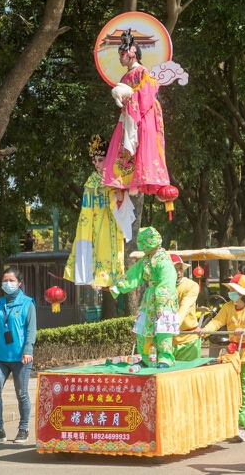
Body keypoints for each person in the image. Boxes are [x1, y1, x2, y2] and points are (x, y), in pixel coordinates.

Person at [102, 28, 170, 194]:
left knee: (142, 147)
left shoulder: (143, 72)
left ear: (132, 54)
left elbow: (146, 94)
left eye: (122, 54)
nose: (120, 58)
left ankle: (140, 179)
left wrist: (130, 101)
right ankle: (128, 181)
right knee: (122, 146)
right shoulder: (125, 77)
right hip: (129, 115)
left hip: (143, 115)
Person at [199, 274, 245, 440]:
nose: (231, 293)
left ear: (243, 293)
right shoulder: (228, 306)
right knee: (238, 390)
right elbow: (217, 321)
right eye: (230, 290)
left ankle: (240, 425)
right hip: (235, 355)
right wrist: (204, 331)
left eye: (234, 290)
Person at [64, 135, 132, 290]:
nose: (96, 164)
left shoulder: (116, 177)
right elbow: (86, 207)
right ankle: (93, 277)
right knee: (94, 248)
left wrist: (119, 196)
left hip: (112, 220)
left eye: (100, 160)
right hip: (93, 222)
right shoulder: (92, 180)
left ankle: (113, 279)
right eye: (94, 160)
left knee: (110, 249)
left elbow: (123, 202)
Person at [111, 227, 179, 367]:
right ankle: (147, 357)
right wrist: (117, 286)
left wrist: (160, 304)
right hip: (149, 298)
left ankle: (165, 358)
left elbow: (167, 282)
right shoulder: (146, 260)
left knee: (162, 330)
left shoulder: (164, 261)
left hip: (164, 300)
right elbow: (134, 275)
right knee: (143, 330)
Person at [0, 268, 36, 445]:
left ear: (19, 283)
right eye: (4, 280)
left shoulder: (27, 303)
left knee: (21, 394)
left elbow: (31, 329)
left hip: (21, 358)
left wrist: (28, 350)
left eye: (11, 280)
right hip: (0, 357)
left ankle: (23, 428)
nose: (7, 283)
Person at [171, 254, 202, 361]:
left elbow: (185, 306)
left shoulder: (191, 286)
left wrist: (174, 326)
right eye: (174, 269)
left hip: (189, 339)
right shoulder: (161, 286)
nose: (179, 272)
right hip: (167, 340)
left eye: (180, 269)